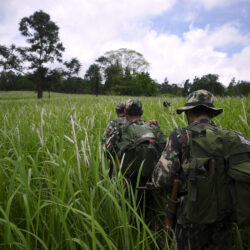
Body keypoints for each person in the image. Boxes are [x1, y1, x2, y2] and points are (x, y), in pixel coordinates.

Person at [152, 90, 234, 250]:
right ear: (211, 113)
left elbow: (160, 180)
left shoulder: (180, 136)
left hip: (190, 219)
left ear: (189, 113)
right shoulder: (229, 138)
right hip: (224, 217)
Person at [102, 102, 127, 177]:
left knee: (114, 175)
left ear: (116, 111)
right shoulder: (132, 121)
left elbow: (104, 137)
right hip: (130, 154)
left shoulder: (114, 122)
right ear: (125, 111)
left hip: (117, 153)